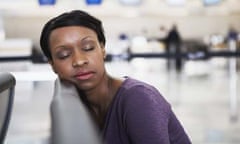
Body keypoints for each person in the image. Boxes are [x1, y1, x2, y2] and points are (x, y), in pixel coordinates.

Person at [40, 10, 191, 144]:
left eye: (88, 48)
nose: (79, 61)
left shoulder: (138, 98)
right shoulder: (79, 107)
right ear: (52, 64)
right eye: (64, 55)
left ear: (103, 49)